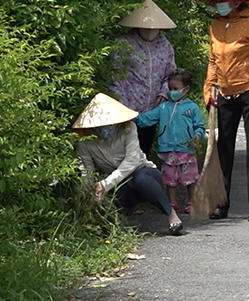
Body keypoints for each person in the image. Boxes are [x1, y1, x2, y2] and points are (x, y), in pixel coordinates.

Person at [199, 0, 249, 223]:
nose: (221, 4)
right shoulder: (215, 25)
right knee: (223, 149)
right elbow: (213, 60)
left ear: (238, 2)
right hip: (225, 93)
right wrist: (209, 89)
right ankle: (220, 205)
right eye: (217, 0)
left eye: (225, 0)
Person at [73, 93, 183, 235]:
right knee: (114, 193)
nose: (106, 128)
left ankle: (171, 213)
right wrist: (89, 192)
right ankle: (114, 224)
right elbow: (86, 169)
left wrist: (106, 184)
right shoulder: (86, 142)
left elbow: (132, 160)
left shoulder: (128, 129)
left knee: (141, 179)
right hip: (116, 181)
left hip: (142, 172)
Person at [110, 0, 178, 157]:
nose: (149, 31)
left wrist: (164, 92)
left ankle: (143, 178)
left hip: (153, 109)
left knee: (144, 150)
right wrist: (123, 107)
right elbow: (115, 77)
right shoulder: (123, 45)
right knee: (126, 152)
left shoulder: (165, 46)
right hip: (127, 108)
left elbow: (170, 74)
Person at [136, 69, 205, 214]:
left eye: (175, 89)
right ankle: (172, 202)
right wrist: (132, 118)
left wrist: (197, 135)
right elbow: (147, 119)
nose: (171, 92)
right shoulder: (163, 107)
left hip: (187, 149)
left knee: (190, 177)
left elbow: (199, 126)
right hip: (168, 149)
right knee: (169, 178)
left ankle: (191, 201)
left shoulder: (192, 108)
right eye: (170, 88)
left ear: (186, 89)